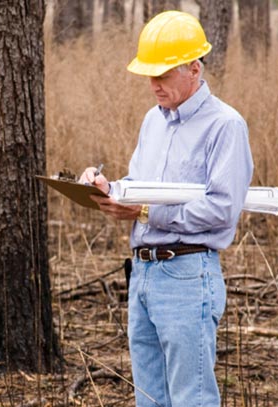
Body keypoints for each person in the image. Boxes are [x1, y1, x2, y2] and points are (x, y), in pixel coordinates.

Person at [77, 10, 253, 407]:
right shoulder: (151, 123)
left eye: (163, 74)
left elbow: (223, 210)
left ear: (194, 68)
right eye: (149, 75)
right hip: (143, 274)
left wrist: (144, 212)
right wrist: (108, 187)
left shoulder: (225, 126)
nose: (153, 84)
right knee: (149, 399)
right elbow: (143, 188)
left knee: (192, 398)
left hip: (188, 276)